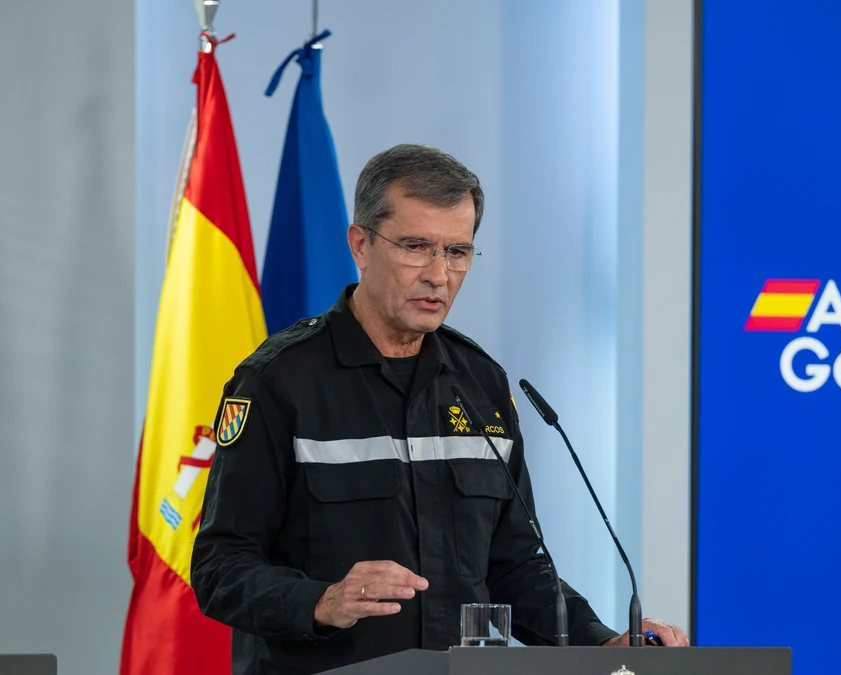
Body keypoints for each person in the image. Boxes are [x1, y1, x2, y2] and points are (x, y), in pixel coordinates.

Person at [191, 143, 688, 674]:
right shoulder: (279, 380)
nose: (438, 274)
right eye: (415, 246)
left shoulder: (481, 383)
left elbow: (514, 564)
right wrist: (321, 601)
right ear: (360, 245)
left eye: (457, 251)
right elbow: (220, 566)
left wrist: (598, 642)